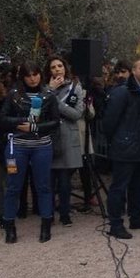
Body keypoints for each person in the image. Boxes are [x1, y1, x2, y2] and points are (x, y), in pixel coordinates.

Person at [102, 58, 140, 239]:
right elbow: (109, 121)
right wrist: (120, 140)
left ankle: (137, 218)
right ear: (134, 71)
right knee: (119, 187)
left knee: (139, 185)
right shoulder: (123, 92)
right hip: (125, 147)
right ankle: (115, 224)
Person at [1, 61, 59, 243]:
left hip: (42, 146)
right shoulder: (14, 94)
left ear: (40, 75)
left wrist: (35, 126)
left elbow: (55, 121)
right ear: (22, 77)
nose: (32, 78)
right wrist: (21, 122)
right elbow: (2, 118)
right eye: (28, 75)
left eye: (35, 74)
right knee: (13, 187)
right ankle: (9, 226)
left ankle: (46, 224)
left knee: (43, 186)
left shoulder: (48, 95)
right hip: (16, 146)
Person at [45, 56, 85, 226]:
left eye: (60, 66)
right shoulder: (44, 88)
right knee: (47, 181)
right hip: (48, 137)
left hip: (68, 137)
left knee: (64, 181)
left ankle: (65, 213)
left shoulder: (74, 87)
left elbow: (76, 114)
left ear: (65, 68)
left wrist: (54, 100)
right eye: (53, 67)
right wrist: (50, 91)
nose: (57, 69)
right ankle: (47, 214)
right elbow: (37, 112)